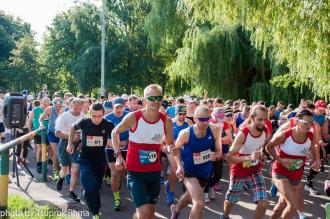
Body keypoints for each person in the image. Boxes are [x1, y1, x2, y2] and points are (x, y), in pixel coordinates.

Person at [111, 84, 174, 219]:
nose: (156, 101)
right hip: (135, 173)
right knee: (145, 214)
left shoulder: (166, 121)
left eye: (159, 98)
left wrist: (169, 149)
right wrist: (118, 155)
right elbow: (114, 132)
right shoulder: (134, 117)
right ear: (144, 100)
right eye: (152, 98)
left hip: (154, 173)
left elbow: (170, 145)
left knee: (149, 212)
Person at [170, 105, 222, 219]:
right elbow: (175, 149)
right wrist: (179, 166)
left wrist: (216, 156)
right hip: (189, 172)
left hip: (205, 172)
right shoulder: (185, 133)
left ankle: (176, 210)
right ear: (194, 118)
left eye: (208, 119)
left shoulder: (215, 129)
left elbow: (219, 151)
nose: (205, 122)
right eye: (202, 119)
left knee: (189, 196)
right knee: (199, 203)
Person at [266, 109, 319, 219]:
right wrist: (279, 159)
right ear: (297, 121)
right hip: (280, 172)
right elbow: (268, 147)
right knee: (293, 205)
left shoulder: (310, 136)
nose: (309, 125)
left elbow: (312, 150)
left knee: (282, 205)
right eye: (306, 123)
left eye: (311, 123)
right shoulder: (285, 134)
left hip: (296, 174)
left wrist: (312, 157)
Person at [222, 105, 269, 219]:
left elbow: (258, 148)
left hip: (255, 170)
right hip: (239, 170)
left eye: (265, 119)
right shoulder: (243, 133)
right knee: (231, 200)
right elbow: (229, 157)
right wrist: (248, 157)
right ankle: (225, 215)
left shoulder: (265, 131)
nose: (263, 123)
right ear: (252, 118)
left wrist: (262, 157)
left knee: (263, 204)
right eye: (259, 119)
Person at [68, 102, 114, 218]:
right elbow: (72, 128)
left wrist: (114, 143)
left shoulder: (108, 124)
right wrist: (70, 144)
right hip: (85, 158)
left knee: (96, 186)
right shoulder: (84, 122)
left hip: (100, 159)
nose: (97, 119)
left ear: (104, 114)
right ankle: (95, 212)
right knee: (90, 186)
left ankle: (88, 194)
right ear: (90, 113)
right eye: (94, 116)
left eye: (99, 116)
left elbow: (115, 134)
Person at [55, 98, 86, 202]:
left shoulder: (84, 117)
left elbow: (85, 134)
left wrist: (81, 143)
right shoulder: (64, 116)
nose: (77, 111)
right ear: (71, 105)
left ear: (82, 106)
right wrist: (71, 138)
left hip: (78, 145)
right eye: (75, 108)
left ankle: (71, 192)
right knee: (64, 169)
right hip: (64, 144)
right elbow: (57, 133)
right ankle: (60, 178)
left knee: (75, 169)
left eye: (79, 108)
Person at [164, 105, 193, 205]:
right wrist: (167, 145)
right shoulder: (170, 122)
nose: (182, 116)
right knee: (174, 168)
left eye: (184, 114)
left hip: (184, 148)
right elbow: (165, 138)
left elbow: (191, 136)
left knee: (185, 168)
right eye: (180, 114)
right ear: (176, 114)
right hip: (173, 148)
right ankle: (171, 192)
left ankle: (168, 183)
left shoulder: (189, 123)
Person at [104, 97, 129, 211]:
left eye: (121, 107)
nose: (119, 109)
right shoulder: (107, 118)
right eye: (116, 107)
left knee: (121, 173)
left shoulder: (129, 116)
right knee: (114, 173)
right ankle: (117, 198)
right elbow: (100, 133)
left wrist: (127, 141)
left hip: (127, 148)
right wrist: (108, 142)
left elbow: (136, 131)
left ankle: (119, 187)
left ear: (124, 106)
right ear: (113, 106)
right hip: (111, 148)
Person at [39, 97, 63, 178]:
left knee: (63, 153)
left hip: (62, 134)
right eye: (56, 106)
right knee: (55, 153)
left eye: (60, 106)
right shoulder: (49, 109)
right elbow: (41, 118)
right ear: (53, 105)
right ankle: (56, 172)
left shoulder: (65, 109)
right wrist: (41, 124)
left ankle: (63, 170)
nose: (58, 108)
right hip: (52, 133)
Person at [28, 97, 51, 173]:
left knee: (47, 149)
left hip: (47, 133)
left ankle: (42, 163)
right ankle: (39, 165)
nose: (46, 106)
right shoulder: (36, 109)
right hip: (38, 132)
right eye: (45, 104)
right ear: (41, 102)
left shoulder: (50, 109)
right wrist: (31, 132)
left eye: (48, 104)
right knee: (40, 148)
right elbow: (30, 121)